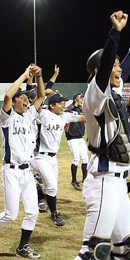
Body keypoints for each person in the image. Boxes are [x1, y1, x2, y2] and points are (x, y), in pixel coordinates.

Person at [52, 11, 130, 260]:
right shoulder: (95, 91)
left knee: (128, 247)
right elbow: (107, 67)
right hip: (103, 181)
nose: (119, 68)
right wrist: (115, 34)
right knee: (95, 250)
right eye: (114, 65)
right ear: (99, 70)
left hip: (118, 184)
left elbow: (116, 69)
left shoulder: (113, 93)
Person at [0, 64, 45, 260]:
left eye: (25, 99)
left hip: (26, 172)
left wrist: (39, 76)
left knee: (32, 212)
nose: (26, 101)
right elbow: (7, 95)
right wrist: (25, 74)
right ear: (14, 102)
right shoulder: (6, 117)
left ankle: (22, 247)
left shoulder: (29, 114)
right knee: (11, 215)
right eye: (22, 98)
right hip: (11, 171)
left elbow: (40, 97)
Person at [31, 93, 85, 227]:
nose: (63, 106)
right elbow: (35, 106)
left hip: (53, 158)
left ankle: (39, 195)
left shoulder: (64, 116)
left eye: (63, 103)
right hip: (40, 156)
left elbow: (83, 118)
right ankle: (54, 214)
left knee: (48, 187)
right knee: (52, 187)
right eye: (60, 103)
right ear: (51, 105)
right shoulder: (42, 114)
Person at [65, 93, 88, 190]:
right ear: (75, 99)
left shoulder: (82, 109)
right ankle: (74, 181)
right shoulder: (69, 109)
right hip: (72, 138)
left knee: (85, 158)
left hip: (80, 138)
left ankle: (85, 180)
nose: (82, 99)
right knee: (76, 158)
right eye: (80, 98)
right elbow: (65, 113)